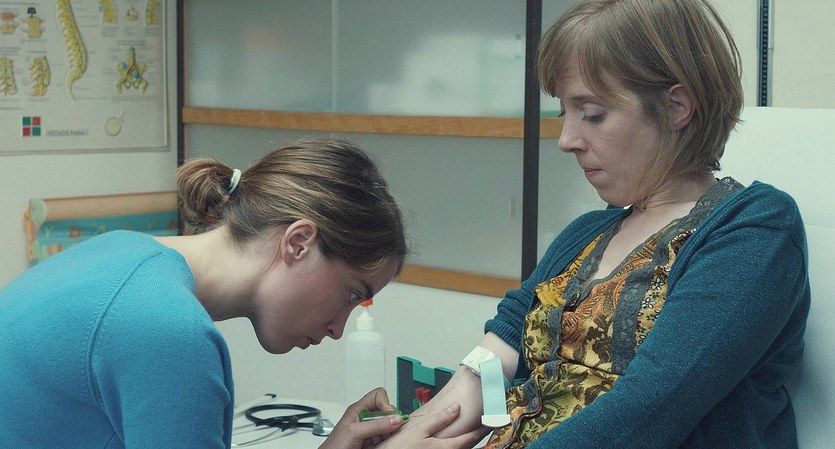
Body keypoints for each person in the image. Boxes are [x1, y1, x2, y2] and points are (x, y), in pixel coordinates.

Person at [402, 1, 811, 448]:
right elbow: (493, 360)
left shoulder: (753, 229)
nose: (566, 140)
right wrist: (406, 436)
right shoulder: (587, 233)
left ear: (676, 107)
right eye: (564, 113)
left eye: (592, 113)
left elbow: (650, 410)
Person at [0, 137, 481, 449]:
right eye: (352, 295)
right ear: (298, 242)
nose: (338, 329)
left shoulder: (120, 254)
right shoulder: (168, 334)